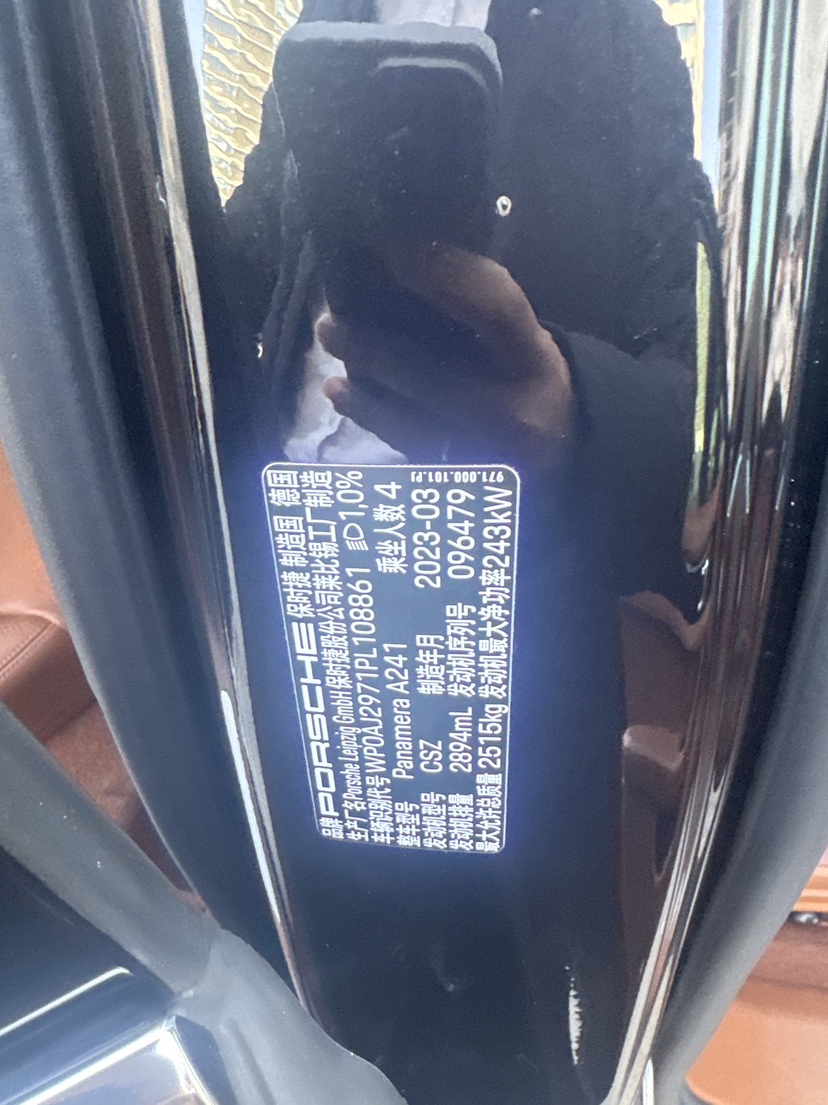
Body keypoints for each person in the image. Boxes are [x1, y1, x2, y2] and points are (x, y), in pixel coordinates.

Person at [199, 2, 718, 1103]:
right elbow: (237, 269)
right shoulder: (329, 22)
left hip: (514, 623)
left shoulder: (618, 36)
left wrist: (576, 419)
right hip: (301, 599)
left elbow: (704, 390)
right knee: (319, 995)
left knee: (520, 1019)